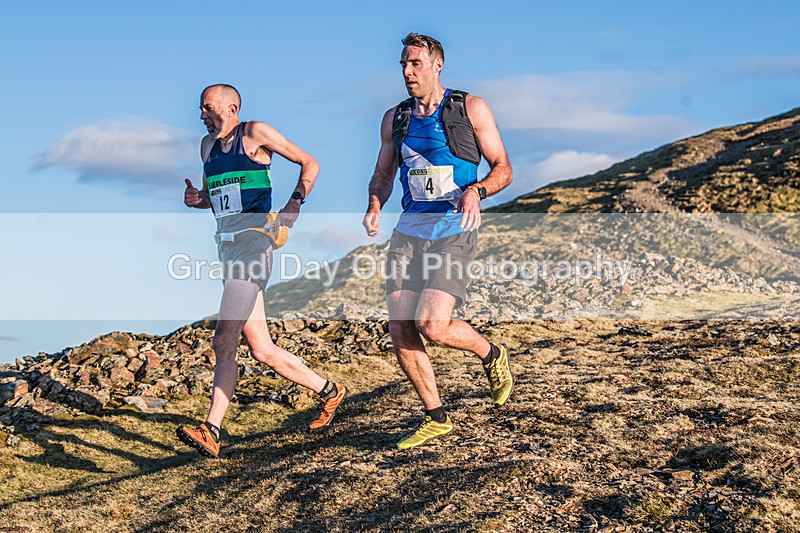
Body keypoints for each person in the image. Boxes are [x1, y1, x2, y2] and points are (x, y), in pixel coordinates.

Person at [177, 84, 346, 458]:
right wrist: (197, 200)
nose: (201, 115)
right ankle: (330, 392)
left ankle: (212, 430)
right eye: (200, 109)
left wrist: (295, 201)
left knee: (224, 339)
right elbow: (213, 197)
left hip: (256, 245)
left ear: (231, 107)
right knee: (262, 349)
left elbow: (310, 163)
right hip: (227, 248)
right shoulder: (206, 148)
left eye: (206, 108)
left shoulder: (255, 133)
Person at [362, 34, 514, 449]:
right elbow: (383, 172)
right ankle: (435, 416)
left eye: (415, 63)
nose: (407, 72)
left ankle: (492, 355)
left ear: (436, 65)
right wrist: (375, 203)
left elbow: (503, 167)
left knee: (432, 324)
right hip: (408, 234)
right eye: (403, 64)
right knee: (400, 326)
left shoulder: (470, 107)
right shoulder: (395, 118)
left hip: (453, 230)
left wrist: (477, 190)